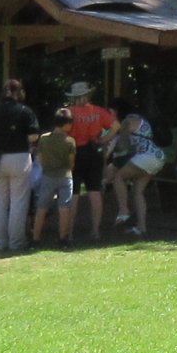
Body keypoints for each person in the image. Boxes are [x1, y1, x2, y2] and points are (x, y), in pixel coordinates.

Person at [0, 77, 41, 252]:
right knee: (19, 202)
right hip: (19, 157)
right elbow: (33, 136)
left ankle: (0, 242)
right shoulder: (25, 111)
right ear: (18, 92)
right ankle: (16, 242)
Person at [65, 80, 116, 239]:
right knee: (94, 191)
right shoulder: (98, 111)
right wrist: (104, 139)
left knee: (74, 193)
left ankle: (70, 232)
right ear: (87, 95)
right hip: (94, 151)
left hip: (74, 152)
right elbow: (116, 126)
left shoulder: (68, 112)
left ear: (74, 97)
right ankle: (95, 231)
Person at [106, 98, 163, 236]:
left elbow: (123, 145)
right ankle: (141, 228)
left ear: (118, 110)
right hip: (156, 157)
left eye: (111, 111)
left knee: (118, 177)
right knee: (138, 192)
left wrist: (112, 157)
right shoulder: (138, 119)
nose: (109, 115)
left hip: (146, 156)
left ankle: (124, 211)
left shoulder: (128, 121)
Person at [33, 106, 79, 247]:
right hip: (65, 175)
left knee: (42, 207)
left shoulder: (44, 139)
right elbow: (71, 162)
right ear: (66, 124)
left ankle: (35, 239)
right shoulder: (70, 141)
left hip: (48, 175)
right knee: (64, 207)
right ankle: (63, 239)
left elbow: (40, 158)